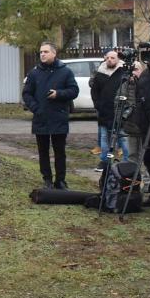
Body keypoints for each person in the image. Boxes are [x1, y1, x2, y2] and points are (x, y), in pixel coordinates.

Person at [22, 42, 80, 190]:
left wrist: (58, 94)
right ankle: (47, 179)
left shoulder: (65, 71)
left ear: (54, 53)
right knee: (43, 152)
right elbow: (26, 94)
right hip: (40, 118)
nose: (42, 54)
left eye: (46, 52)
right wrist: (36, 108)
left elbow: (74, 91)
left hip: (59, 117)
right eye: (41, 52)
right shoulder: (34, 73)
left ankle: (60, 180)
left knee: (60, 152)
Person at [91, 50, 130, 171]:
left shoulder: (124, 72)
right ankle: (105, 161)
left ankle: (127, 162)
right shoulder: (100, 73)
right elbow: (95, 91)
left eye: (112, 58)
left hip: (119, 112)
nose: (109, 60)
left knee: (122, 138)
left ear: (118, 59)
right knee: (104, 138)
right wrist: (98, 105)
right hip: (104, 111)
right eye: (107, 58)